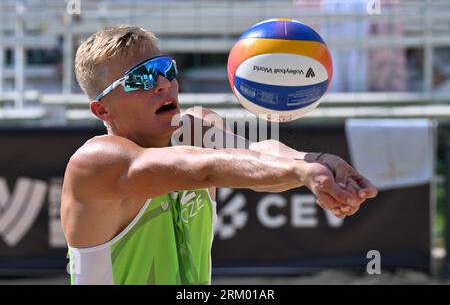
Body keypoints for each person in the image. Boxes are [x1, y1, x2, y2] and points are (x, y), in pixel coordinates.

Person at [62, 25, 378, 285]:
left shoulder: (197, 128)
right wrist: (301, 173)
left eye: (164, 68)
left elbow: (255, 153)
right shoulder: (95, 162)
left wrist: (315, 162)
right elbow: (204, 168)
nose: (163, 84)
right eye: (140, 78)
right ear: (102, 108)